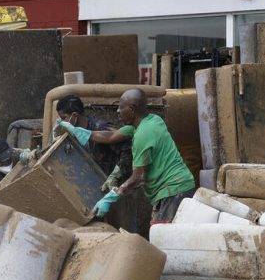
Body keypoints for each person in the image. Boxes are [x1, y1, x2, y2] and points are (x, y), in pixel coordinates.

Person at [58, 89, 195, 225]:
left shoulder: (143, 135)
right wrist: (78, 132)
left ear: (131, 109)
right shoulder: (151, 120)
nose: (117, 111)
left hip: (173, 189)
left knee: (162, 236)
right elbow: (111, 136)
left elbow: (138, 178)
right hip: (178, 185)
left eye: (120, 107)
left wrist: (111, 197)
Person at [55, 95, 132, 184]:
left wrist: (116, 176)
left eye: (63, 118)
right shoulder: (71, 133)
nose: (62, 122)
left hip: (115, 183)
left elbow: (128, 149)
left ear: (75, 115)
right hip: (93, 182)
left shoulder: (100, 128)